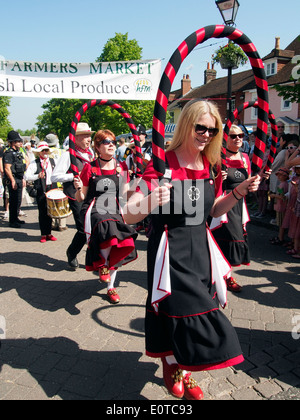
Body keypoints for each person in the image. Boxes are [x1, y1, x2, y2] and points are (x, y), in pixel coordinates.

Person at [123, 99, 260, 400]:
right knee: (188, 308)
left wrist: (238, 192)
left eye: (213, 130)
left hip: (201, 248)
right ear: (186, 124)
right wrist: (150, 201)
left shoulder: (210, 163)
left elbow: (211, 211)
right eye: (201, 127)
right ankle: (180, 364)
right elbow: (128, 213)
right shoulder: (161, 162)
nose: (206, 135)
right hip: (170, 249)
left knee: (178, 310)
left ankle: (174, 361)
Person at [74, 129, 137, 304]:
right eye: (106, 141)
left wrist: (137, 183)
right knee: (105, 224)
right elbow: (81, 198)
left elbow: (124, 194)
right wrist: (78, 187)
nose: (111, 144)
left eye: (113, 141)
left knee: (120, 240)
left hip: (113, 207)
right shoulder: (89, 167)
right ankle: (102, 265)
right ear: (98, 147)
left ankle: (111, 287)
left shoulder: (121, 166)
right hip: (95, 208)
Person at [212, 125, 252, 293]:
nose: (238, 139)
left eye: (241, 135)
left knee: (234, 238)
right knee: (226, 238)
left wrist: (254, 184)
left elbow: (248, 180)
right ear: (225, 138)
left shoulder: (245, 158)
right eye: (234, 135)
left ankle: (225, 275)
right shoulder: (217, 157)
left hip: (239, 204)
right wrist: (219, 178)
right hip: (223, 202)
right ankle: (223, 276)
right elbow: (210, 183)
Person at [52, 123, 95, 270]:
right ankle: (72, 252)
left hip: (90, 195)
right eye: (85, 135)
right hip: (75, 195)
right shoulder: (67, 155)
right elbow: (54, 177)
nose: (89, 138)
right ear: (75, 138)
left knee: (95, 227)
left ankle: (94, 259)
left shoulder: (91, 153)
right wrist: (74, 176)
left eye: (89, 135)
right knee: (83, 228)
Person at [25, 142, 58, 242]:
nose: (44, 152)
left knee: (51, 212)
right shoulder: (35, 163)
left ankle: (49, 233)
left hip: (52, 188)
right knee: (42, 212)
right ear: (39, 152)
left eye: (46, 150)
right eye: (42, 150)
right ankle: (44, 234)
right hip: (41, 189)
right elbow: (26, 176)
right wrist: (37, 176)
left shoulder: (53, 161)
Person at [3, 131, 27, 228]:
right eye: (17, 141)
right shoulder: (8, 153)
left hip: (19, 178)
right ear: (12, 142)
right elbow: (7, 168)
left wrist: (23, 178)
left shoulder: (18, 152)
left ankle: (16, 218)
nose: (19, 143)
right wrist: (12, 180)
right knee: (13, 200)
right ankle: (12, 221)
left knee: (18, 200)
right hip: (13, 179)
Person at [269, 167, 289, 245]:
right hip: (279, 205)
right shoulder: (283, 184)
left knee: (281, 224)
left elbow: (282, 196)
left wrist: (274, 195)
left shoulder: (283, 185)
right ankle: (279, 237)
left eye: (281, 175)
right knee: (280, 223)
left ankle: (280, 238)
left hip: (281, 206)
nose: (279, 177)